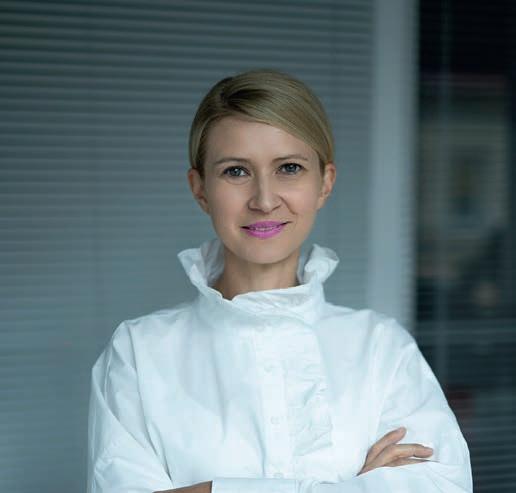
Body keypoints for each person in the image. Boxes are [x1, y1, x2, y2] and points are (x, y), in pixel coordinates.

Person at [87, 69, 473, 493]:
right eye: (236, 171)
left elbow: (443, 485)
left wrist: (212, 488)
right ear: (200, 190)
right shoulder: (139, 352)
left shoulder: (381, 347)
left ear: (324, 183)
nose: (265, 200)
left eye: (289, 168)